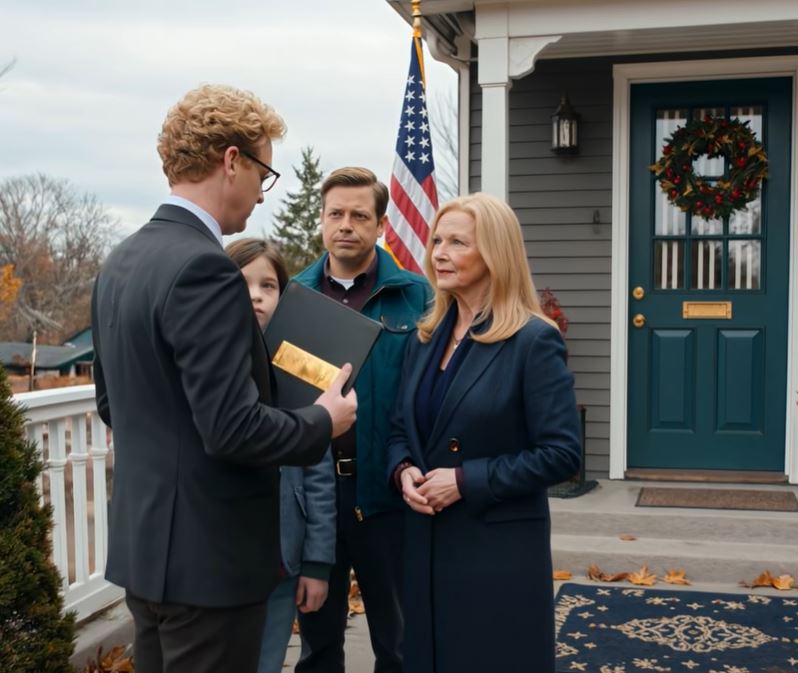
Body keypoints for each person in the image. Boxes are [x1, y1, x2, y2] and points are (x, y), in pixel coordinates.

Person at [90, 84, 357, 673]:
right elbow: (232, 429)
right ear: (231, 160)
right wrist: (323, 420)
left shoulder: (122, 261)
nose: (263, 194)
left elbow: (113, 404)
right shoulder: (206, 268)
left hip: (145, 553)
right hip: (209, 565)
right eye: (263, 172)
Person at [387, 192, 581, 673]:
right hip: (427, 546)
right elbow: (399, 429)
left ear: (495, 252)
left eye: (457, 242)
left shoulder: (534, 340)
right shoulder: (424, 336)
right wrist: (404, 471)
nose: (439, 253)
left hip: (496, 554)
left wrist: (464, 481)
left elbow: (561, 454)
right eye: (436, 241)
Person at [293, 167, 431, 673]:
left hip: (387, 494)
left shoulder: (417, 298)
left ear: (380, 224)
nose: (346, 224)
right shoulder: (295, 297)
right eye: (336, 214)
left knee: (398, 645)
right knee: (318, 644)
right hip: (316, 496)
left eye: (359, 215)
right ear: (322, 220)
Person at [224, 238, 336, 673]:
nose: (254, 294)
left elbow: (319, 470)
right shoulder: (212, 364)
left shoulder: (301, 365)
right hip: (224, 559)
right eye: (241, 281)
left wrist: (318, 562)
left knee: (268, 662)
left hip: (283, 559)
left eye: (267, 285)